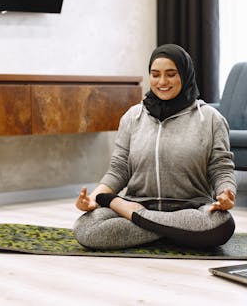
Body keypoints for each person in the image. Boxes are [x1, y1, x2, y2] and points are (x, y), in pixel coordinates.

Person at [73, 44, 237, 250]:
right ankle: (180, 234)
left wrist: (226, 193)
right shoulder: (133, 117)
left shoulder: (211, 119)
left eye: (170, 74)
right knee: (86, 227)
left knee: (221, 224)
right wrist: (94, 198)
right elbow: (119, 168)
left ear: (185, 75)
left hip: (190, 208)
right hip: (138, 202)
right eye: (155, 74)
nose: (162, 82)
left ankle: (139, 219)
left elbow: (221, 168)